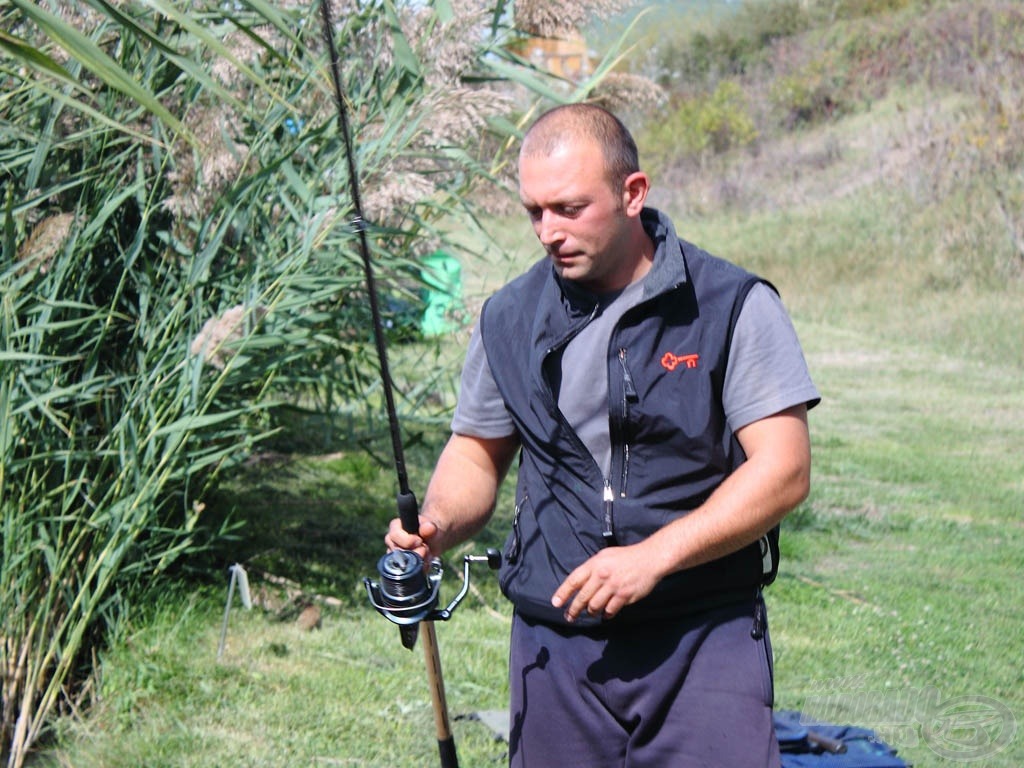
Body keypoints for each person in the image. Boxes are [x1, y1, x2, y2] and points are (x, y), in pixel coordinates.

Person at [386, 103, 820, 767]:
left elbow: (784, 470)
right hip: (554, 640)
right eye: (535, 211)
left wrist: (654, 557)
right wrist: (437, 525)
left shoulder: (730, 304)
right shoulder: (507, 316)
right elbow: (477, 453)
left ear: (633, 194)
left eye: (568, 208)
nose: (548, 232)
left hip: (702, 630)